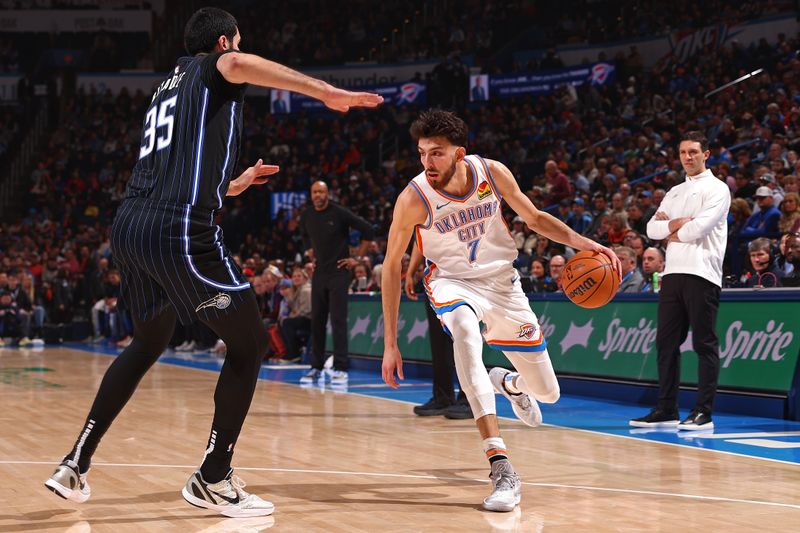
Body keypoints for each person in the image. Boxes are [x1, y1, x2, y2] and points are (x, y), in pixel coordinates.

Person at [44, 7, 382, 517]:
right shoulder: (213, 67)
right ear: (224, 43)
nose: (238, 52)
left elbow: (175, 169)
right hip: (177, 229)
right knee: (248, 344)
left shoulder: (164, 90)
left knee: (148, 342)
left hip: (131, 228)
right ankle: (213, 477)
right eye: (236, 44)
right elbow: (240, 65)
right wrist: (325, 92)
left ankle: (75, 463)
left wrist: (230, 185)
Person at [381, 110, 621, 512]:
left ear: (460, 152)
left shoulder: (491, 173)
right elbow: (390, 265)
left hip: (503, 285)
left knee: (549, 393)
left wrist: (585, 244)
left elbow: (535, 218)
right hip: (451, 282)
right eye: (422, 153)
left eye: (436, 153)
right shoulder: (413, 197)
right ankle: (501, 465)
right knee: (465, 331)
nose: (427, 163)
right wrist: (391, 341)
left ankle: (507, 382)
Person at [631, 131, 730, 431]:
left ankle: (703, 412)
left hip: (702, 272)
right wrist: (676, 225)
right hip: (672, 274)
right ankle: (667, 408)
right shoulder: (673, 192)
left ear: (706, 154)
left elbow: (696, 231)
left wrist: (672, 229)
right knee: (665, 344)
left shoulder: (718, 189)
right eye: (683, 152)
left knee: (704, 343)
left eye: (694, 152)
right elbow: (651, 229)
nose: (688, 157)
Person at [299, 180, 376, 384]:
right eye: (315, 191)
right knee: (317, 321)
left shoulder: (339, 212)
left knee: (338, 321)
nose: (318, 195)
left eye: (322, 192)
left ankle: (340, 367)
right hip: (319, 273)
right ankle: (315, 367)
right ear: (311, 194)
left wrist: (357, 258)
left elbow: (368, 230)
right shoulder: (306, 215)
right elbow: (304, 236)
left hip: (339, 272)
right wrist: (309, 255)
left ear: (328, 194)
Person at [406, 241, 472, 419]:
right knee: (439, 343)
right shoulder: (423, 212)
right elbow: (420, 240)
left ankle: (471, 400)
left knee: (465, 340)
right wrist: (411, 272)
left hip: (465, 277)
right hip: (435, 280)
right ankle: (443, 397)